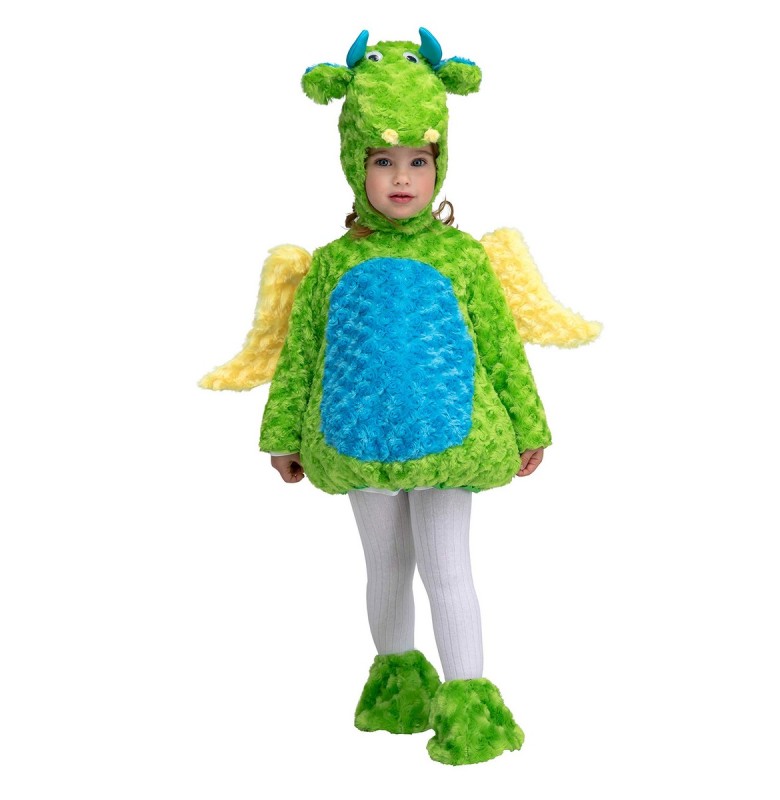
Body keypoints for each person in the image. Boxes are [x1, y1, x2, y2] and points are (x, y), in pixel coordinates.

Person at [201, 29, 600, 766]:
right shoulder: (330, 264)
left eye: (419, 160)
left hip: (454, 441)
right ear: (355, 163)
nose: (402, 179)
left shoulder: (464, 256)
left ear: (441, 163)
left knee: (448, 567)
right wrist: (281, 435)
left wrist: (529, 424)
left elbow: (500, 346)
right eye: (383, 161)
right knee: (384, 567)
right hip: (356, 440)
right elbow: (302, 355)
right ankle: (397, 690)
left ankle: (470, 703)